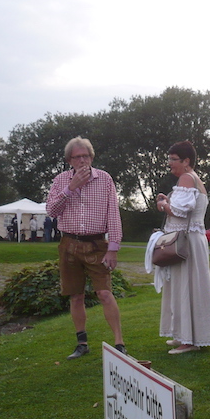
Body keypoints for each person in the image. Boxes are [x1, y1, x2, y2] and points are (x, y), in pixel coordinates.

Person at [46, 136, 126, 359]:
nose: (82, 160)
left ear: (91, 157)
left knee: (104, 293)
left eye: (86, 156)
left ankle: (119, 343)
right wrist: (70, 188)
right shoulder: (61, 180)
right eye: (77, 157)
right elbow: (51, 211)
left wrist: (113, 248)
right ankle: (82, 343)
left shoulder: (105, 179)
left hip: (97, 244)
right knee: (76, 295)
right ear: (69, 160)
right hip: (69, 243)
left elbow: (113, 214)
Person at [155, 141, 210, 354]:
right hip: (190, 240)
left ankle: (189, 340)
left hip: (186, 243)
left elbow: (179, 212)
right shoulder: (193, 179)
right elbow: (183, 207)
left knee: (186, 287)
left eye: (174, 159)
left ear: (186, 161)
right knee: (185, 287)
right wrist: (168, 201)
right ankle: (184, 334)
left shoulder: (187, 178)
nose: (170, 163)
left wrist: (163, 205)